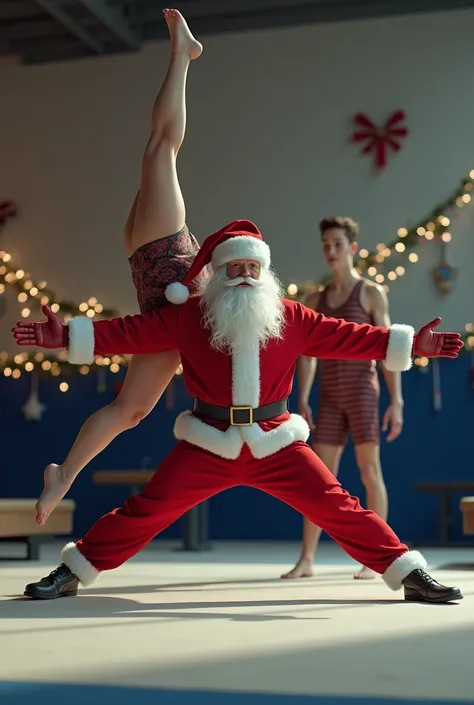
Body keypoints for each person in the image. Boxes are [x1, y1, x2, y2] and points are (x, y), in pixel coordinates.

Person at [13, 219, 463, 604]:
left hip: (277, 442)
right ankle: (73, 569)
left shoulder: (292, 316)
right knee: (145, 511)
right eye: (236, 267)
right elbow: (129, 332)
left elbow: (350, 336)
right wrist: (70, 338)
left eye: (253, 267)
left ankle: (406, 572)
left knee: (340, 507)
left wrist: (406, 344)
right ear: (219, 272)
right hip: (208, 440)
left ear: (264, 272)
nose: (245, 275)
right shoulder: (189, 316)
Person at [35, 8, 209, 526]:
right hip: (164, 258)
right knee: (161, 149)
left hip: (147, 268)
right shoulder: (202, 324)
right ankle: (183, 55)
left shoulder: (176, 341)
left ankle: (62, 476)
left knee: (131, 412)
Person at [282, 216, 404, 581]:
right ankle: (306, 559)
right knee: (320, 480)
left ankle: (376, 557)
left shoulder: (370, 293)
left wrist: (396, 401)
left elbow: (390, 349)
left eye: (337, 244)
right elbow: (307, 355)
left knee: (370, 472)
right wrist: (302, 397)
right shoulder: (314, 299)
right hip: (330, 395)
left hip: (363, 391)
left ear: (352, 248)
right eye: (326, 245)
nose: (331, 251)